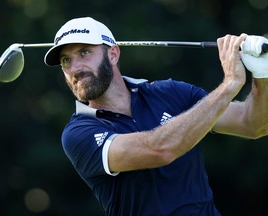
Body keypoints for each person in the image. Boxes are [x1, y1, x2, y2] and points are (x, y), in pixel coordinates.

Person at [44, 17, 268, 215]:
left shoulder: (171, 93)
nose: (75, 68)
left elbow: (254, 124)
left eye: (84, 52)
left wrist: (262, 73)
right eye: (66, 61)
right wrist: (229, 85)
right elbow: (159, 149)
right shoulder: (79, 133)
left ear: (113, 53)